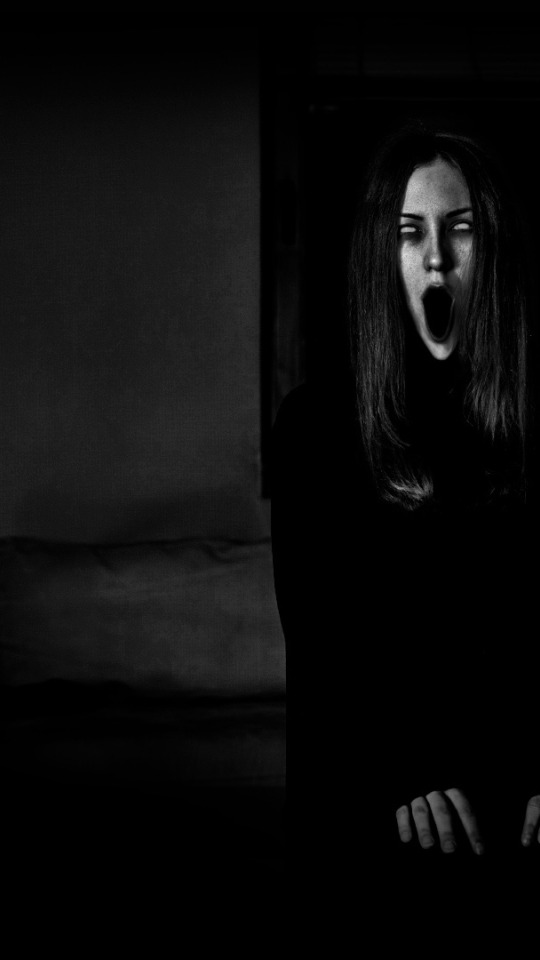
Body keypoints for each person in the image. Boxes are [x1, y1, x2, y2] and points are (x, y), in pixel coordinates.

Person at [271, 123, 539, 924]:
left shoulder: (532, 426)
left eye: (462, 230)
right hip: (385, 807)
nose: (437, 261)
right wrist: (399, 769)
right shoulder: (317, 429)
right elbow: (323, 650)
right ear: (378, 257)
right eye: (409, 233)